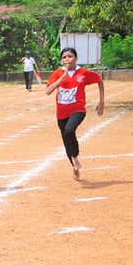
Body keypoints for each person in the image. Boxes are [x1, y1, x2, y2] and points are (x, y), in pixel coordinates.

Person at [46, 47, 105, 181]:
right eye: (64, 57)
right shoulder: (58, 73)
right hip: (61, 112)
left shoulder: (83, 73)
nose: (67, 59)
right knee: (66, 141)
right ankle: (74, 163)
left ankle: (75, 156)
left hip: (78, 110)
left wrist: (101, 102)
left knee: (69, 130)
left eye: (70, 56)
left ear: (76, 59)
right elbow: (48, 91)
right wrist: (62, 77)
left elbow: (99, 80)